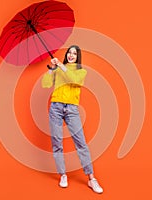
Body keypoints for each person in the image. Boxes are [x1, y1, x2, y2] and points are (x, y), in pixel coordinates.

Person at [41, 45, 103, 194]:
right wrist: (51, 69)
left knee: (81, 143)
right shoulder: (58, 69)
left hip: (71, 110)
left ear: (77, 57)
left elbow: (74, 80)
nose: (71, 55)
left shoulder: (81, 71)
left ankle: (91, 178)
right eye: (69, 52)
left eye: (74, 53)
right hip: (56, 107)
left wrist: (61, 66)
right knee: (57, 143)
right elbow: (45, 84)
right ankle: (63, 175)